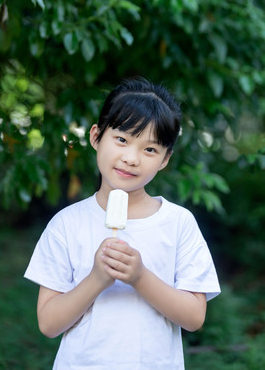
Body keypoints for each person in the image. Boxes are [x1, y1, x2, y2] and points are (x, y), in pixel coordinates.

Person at [24, 77, 220, 370]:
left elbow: (194, 318)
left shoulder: (178, 223)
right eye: (122, 140)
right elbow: (49, 324)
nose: (131, 158)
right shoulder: (66, 224)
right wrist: (96, 279)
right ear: (95, 137)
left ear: (166, 159)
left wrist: (139, 276)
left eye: (150, 150)